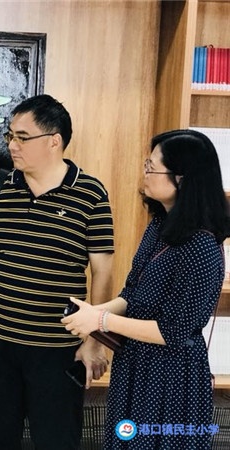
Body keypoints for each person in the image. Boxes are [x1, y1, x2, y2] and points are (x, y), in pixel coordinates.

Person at [0, 94, 115, 450]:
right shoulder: (0, 186)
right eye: (10, 136)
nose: (12, 145)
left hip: (59, 349)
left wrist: (94, 341)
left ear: (54, 141)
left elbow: (103, 272)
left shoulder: (90, 193)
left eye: (23, 137)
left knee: (57, 441)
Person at [62, 129, 230, 450]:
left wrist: (100, 321)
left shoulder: (202, 247)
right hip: (135, 364)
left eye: (152, 168)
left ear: (181, 179)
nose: (146, 174)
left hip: (172, 376)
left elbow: (173, 331)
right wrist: (92, 313)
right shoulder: (158, 225)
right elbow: (132, 294)